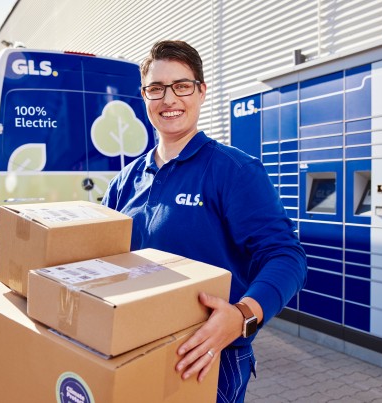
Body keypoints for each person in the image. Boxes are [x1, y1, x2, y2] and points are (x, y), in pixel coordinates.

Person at [102, 39, 307, 403]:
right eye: (156, 89)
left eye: (181, 86)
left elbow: (286, 257)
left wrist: (243, 315)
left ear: (201, 92)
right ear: (143, 96)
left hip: (209, 356)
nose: (169, 99)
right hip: (132, 352)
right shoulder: (125, 181)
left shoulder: (234, 171)